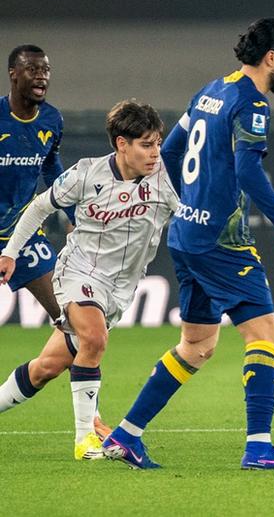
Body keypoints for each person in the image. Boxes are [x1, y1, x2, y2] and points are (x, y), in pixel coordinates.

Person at [102, 18, 274, 470]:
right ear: (271, 57)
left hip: (186, 235)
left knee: (197, 345)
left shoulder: (211, 91)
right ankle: (259, 447)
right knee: (265, 335)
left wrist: (188, 203)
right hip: (221, 240)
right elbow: (248, 171)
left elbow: (170, 151)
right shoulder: (251, 103)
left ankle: (126, 435)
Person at [0, 100, 177, 460]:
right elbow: (39, 207)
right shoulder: (86, 174)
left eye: (158, 143)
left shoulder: (167, 179)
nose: (155, 152)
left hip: (120, 288)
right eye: (146, 144)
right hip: (78, 272)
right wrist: (10, 253)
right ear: (122, 144)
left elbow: (191, 221)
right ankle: (85, 440)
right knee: (94, 339)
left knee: (46, 368)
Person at [0, 44, 111, 439]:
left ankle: (91, 421)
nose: (42, 76)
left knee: (75, 326)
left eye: (45, 70)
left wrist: (75, 218)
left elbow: (53, 171)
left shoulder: (51, 119)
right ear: (13, 74)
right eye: (32, 69)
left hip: (23, 236)